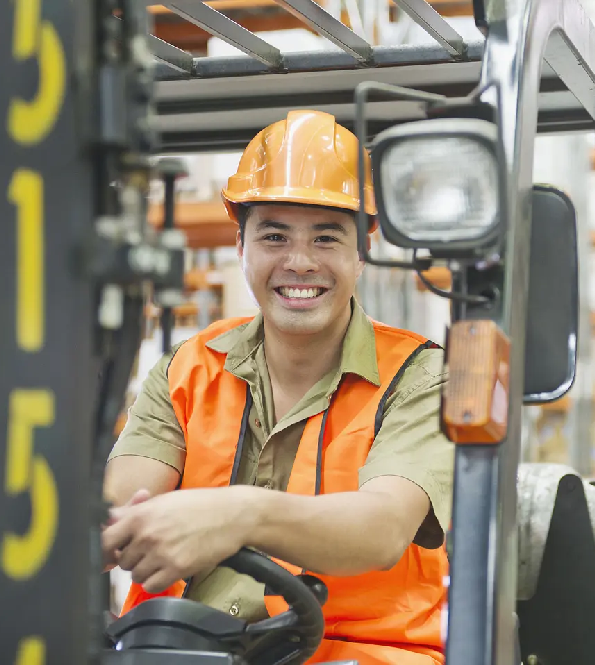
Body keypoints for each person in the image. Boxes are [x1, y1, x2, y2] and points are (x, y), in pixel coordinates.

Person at [101, 109, 454, 665]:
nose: (299, 262)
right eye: (274, 235)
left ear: (360, 252)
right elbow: (122, 500)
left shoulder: (419, 377)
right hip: (177, 646)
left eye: (326, 237)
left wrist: (241, 513)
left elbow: (383, 528)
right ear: (240, 245)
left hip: (353, 653)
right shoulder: (188, 367)